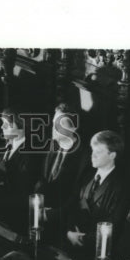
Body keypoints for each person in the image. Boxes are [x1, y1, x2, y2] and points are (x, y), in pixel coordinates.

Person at [65, 130, 130, 259]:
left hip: (97, 252)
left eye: (98, 152)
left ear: (112, 155)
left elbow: (114, 223)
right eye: (92, 150)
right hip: (71, 243)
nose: (93, 155)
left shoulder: (121, 186)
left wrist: (83, 239)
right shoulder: (87, 175)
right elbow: (72, 204)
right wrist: (69, 232)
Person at [34, 103, 88, 244]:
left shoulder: (84, 157)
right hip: (41, 212)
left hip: (63, 221)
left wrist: (50, 214)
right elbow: (43, 179)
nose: (54, 128)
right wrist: (38, 205)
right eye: (53, 123)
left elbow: (77, 195)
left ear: (73, 128)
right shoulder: (52, 146)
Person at [0, 107, 42, 233]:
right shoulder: (5, 147)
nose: (2, 128)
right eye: (2, 124)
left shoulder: (30, 154)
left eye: (7, 125)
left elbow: (21, 190)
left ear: (22, 127)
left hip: (14, 217)